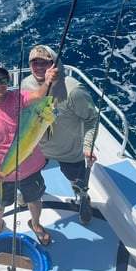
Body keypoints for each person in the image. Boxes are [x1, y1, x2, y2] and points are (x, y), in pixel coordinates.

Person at [0, 60, 58, 245]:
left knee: (34, 200)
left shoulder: (19, 97)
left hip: (31, 167)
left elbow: (39, 95)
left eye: (3, 80)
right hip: (2, 173)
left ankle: (35, 223)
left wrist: (48, 81)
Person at [21, 45, 98, 225]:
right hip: (38, 148)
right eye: (35, 63)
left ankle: (83, 199)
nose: (39, 67)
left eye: (45, 62)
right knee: (27, 177)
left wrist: (87, 146)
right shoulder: (26, 84)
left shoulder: (75, 91)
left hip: (69, 151)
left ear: (55, 64)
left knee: (77, 183)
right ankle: (29, 195)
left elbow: (92, 119)